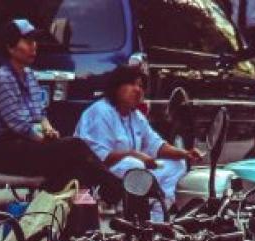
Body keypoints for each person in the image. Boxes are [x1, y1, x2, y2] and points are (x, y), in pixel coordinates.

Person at [0, 19, 124, 203]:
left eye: (35, 41)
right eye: (28, 41)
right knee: (75, 146)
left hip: (27, 143)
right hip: (5, 149)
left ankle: (66, 222)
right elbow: (18, 124)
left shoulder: (29, 75)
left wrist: (49, 130)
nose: (34, 46)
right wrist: (44, 140)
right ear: (10, 47)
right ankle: (118, 190)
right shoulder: (3, 78)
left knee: (74, 170)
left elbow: (40, 115)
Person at [75, 66, 201, 216]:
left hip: (133, 173)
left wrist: (186, 154)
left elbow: (157, 146)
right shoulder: (100, 112)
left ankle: (158, 215)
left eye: (140, 86)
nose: (137, 90)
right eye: (132, 84)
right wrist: (134, 154)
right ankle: (129, 210)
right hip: (99, 178)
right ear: (116, 87)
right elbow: (98, 160)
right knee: (134, 164)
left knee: (176, 164)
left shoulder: (135, 116)